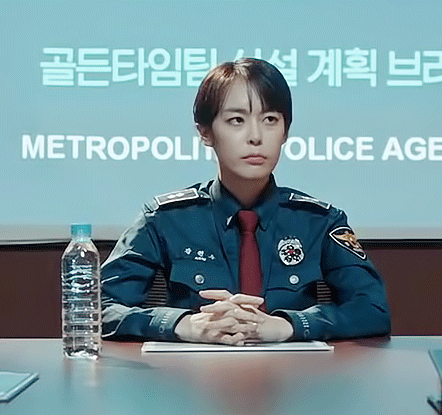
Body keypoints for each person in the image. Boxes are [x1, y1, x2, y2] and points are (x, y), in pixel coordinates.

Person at [101, 58, 391, 345]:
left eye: (270, 120)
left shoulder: (318, 221)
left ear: (285, 132)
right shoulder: (166, 219)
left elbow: (373, 310)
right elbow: (100, 307)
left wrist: (288, 325)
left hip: (295, 372)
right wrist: (183, 324)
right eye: (237, 120)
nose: (255, 137)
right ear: (205, 132)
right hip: (194, 371)